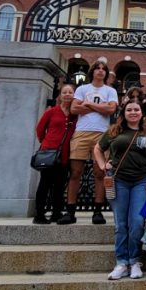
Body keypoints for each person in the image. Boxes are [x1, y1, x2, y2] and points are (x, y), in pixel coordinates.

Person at [93, 99, 146, 280]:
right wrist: (102, 165)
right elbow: (98, 148)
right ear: (124, 113)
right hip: (118, 180)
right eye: (129, 109)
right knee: (121, 223)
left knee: (137, 222)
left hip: (141, 180)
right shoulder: (114, 131)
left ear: (141, 113)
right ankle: (121, 262)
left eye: (136, 109)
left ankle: (135, 261)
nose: (133, 112)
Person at [65, 61, 118, 224]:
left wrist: (88, 104)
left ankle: (97, 210)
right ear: (92, 72)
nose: (100, 71)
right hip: (81, 132)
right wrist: (99, 107)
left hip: (102, 134)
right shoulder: (82, 89)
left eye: (103, 69)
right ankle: (70, 211)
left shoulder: (110, 90)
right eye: (97, 68)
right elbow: (74, 109)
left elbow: (111, 110)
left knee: (100, 174)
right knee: (75, 173)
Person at [32, 83, 76, 224]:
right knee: (45, 183)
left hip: (64, 154)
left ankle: (56, 213)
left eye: (70, 92)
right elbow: (40, 129)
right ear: (60, 95)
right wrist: (46, 143)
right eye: (65, 92)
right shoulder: (51, 111)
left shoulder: (75, 115)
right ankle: (39, 214)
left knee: (59, 185)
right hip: (49, 152)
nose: (68, 94)